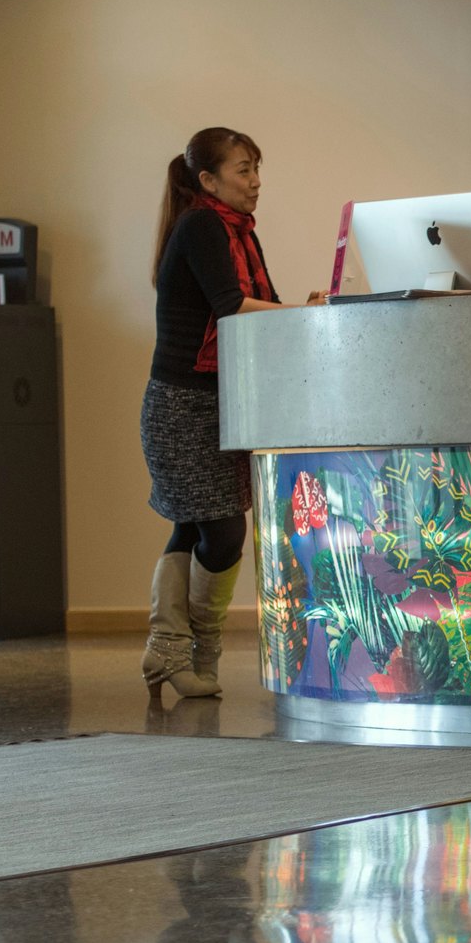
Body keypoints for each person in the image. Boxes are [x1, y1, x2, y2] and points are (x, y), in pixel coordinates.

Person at [139, 127, 322, 700]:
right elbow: (230, 307)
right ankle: (195, 647)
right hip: (183, 406)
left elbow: (256, 307)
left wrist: (299, 311)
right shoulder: (202, 224)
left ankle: (170, 650)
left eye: (256, 168)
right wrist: (302, 315)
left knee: (196, 525)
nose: (256, 181)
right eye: (244, 170)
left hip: (221, 400)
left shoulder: (238, 229)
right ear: (209, 181)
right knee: (220, 529)